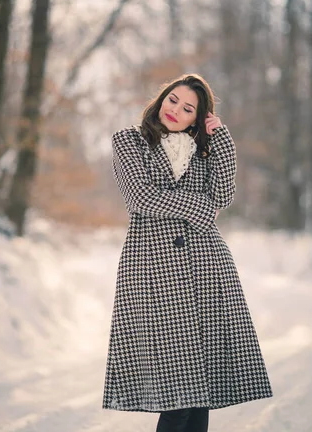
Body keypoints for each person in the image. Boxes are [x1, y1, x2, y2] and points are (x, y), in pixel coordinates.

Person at [102, 73, 273, 431]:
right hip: (152, 270)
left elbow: (223, 196)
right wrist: (198, 206)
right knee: (177, 393)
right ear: (161, 98)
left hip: (206, 267)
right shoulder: (130, 142)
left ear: (199, 117)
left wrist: (221, 139)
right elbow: (140, 197)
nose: (176, 109)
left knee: (200, 395)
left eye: (188, 108)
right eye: (172, 100)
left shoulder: (205, 149)